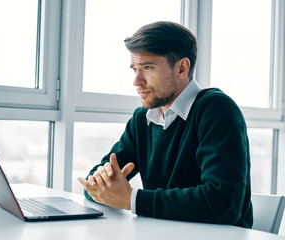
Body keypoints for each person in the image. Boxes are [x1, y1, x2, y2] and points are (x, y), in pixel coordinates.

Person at [78, 21, 253, 228]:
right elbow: (97, 181)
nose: (136, 81)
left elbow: (222, 204)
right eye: (134, 69)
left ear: (181, 68)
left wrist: (132, 200)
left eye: (148, 67)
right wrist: (101, 183)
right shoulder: (143, 118)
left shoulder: (216, 110)